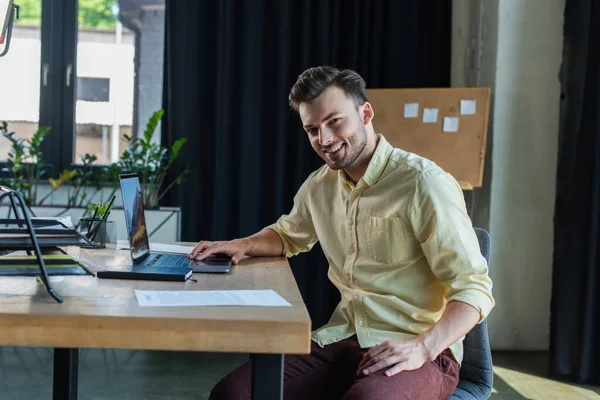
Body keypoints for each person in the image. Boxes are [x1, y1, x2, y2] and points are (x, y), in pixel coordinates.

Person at [188, 66, 495, 400]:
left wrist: (424, 347)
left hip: (417, 349)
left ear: (365, 113)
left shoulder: (423, 183)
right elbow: (288, 235)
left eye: (334, 121)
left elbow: (474, 289)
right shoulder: (320, 186)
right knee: (234, 394)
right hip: (343, 337)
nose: (325, 140)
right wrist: (243, 245)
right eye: (312, 129)